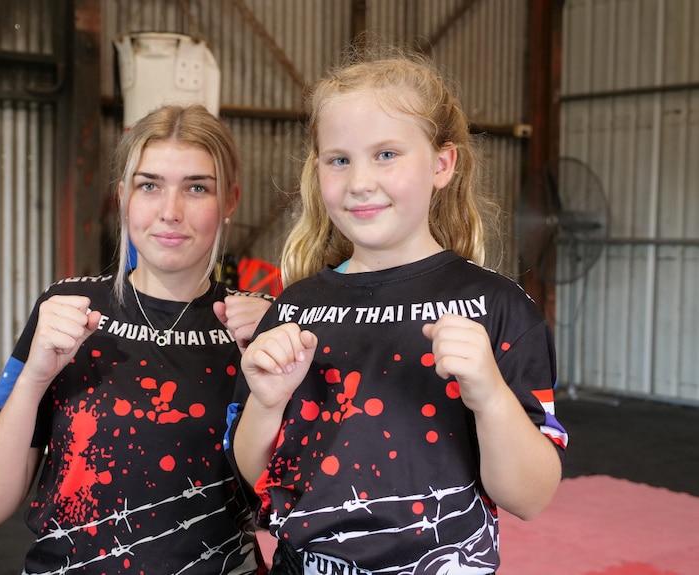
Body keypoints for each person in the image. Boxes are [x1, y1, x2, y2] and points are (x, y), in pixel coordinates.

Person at [224, 48, 569, 575]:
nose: (360, 181)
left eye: (386, 154)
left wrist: (490, 396)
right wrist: (267, 405)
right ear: (318, 171)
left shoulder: (498, 307)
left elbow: (531, 496)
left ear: (442, 164)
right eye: (340, 159)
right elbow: (254, 474)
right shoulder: (296, 307)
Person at [0, 104, 272, 575]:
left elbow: (289, 502)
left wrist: (274, 372)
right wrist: (35, 378)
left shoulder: (257, 327)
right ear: (124, 196)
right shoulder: (68, 309)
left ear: (229, 201)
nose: (170, 212)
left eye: (196, 188)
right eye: (150, 186)